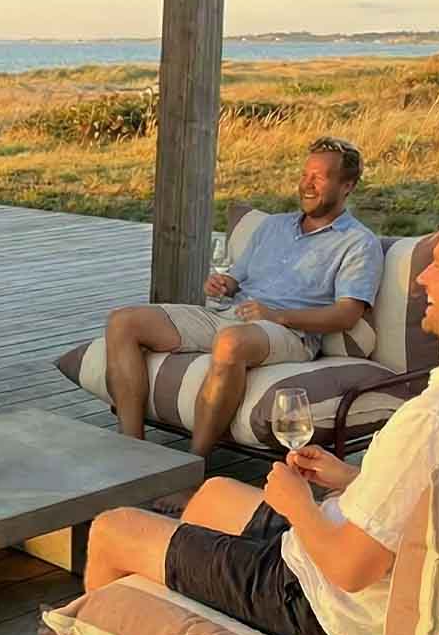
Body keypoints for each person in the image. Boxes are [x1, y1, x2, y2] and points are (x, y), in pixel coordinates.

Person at [68, 197, 439, 635]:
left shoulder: (436, 420)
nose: (421, 280)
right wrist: (352, 478)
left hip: (325, 604)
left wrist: (298, 504)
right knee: (214, 493)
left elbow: (349, 569)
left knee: (113, 529)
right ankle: (186, 604)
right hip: (362, 557)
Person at [104, 137, 384, 459]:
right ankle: (134, 452)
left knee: (230, 342)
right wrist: (223, 284)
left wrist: (277, 315)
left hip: (291, 332)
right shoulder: (273, 226)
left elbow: (347, 314)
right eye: (304, 174)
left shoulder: (358, 242)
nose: (306, 184)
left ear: (347, 185)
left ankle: (194, 464)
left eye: (319, 177)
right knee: (123, 321)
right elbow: (236, 280)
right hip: (233, 314)